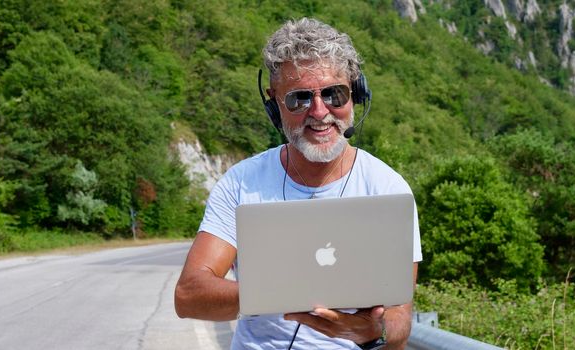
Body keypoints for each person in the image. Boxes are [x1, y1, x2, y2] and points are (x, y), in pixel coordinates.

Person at [175, 17, 422, 350]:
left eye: (335, 94)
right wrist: (281, 292)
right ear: (274, 105)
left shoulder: (389, 189)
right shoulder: (241, 183)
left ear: (356, 93)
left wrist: (369, 332)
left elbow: (400, 319)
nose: (319, 112)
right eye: (300, 98)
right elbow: (189, 295)